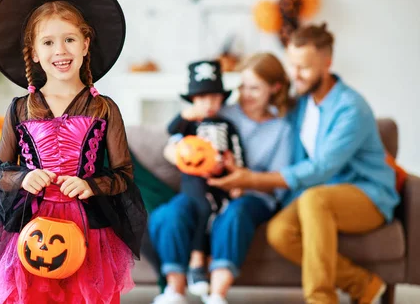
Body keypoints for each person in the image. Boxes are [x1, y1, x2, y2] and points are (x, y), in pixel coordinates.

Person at [0, 0, 147, 304]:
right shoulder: (21, 109)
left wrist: (91, 184)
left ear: (85, 44)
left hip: (89, 229)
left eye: (69, 39)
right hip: (32, 228)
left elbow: (124, 174)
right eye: (48, 42)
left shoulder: (103, 109)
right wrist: (24, 177)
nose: (60, 50)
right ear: (35, 53)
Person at [207, 23, 400, 304]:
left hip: (367, 195)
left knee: (314, 199)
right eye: (292, 66)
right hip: (320, 196)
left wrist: (250, 180)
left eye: (304, 68)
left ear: (327, 63)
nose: (295, 75)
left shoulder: (351, 108)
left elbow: (321, 168)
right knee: (280, 232)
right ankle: (364, 285)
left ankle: (321, 299)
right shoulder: (301, 105)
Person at [151, 53, 294, 304]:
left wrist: (243, 181)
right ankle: (174, 291)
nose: (246, 94)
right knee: (169, 214)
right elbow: (173, 144)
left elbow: (279, 181)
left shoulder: (282, 129)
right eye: (243, 86)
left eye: (255, 88)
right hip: (205, 187)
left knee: (235, 214)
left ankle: (217, 295)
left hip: (250, 195)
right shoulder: (219, 111)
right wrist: (185, 157)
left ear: (275, 88)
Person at [165, 59, 246, 296]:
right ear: (192, 101)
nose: (208, 104)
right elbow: (171, 132)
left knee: (218, 210)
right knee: (204, 206)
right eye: (201, 98)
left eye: (213, 97)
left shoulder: (228, 125)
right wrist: (186, 115)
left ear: (222, 99)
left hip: (220, 181)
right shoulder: (188, 124)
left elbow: (237, 151)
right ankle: (196, 261)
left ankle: (206, 263)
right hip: (193, 179)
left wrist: (236, 175)